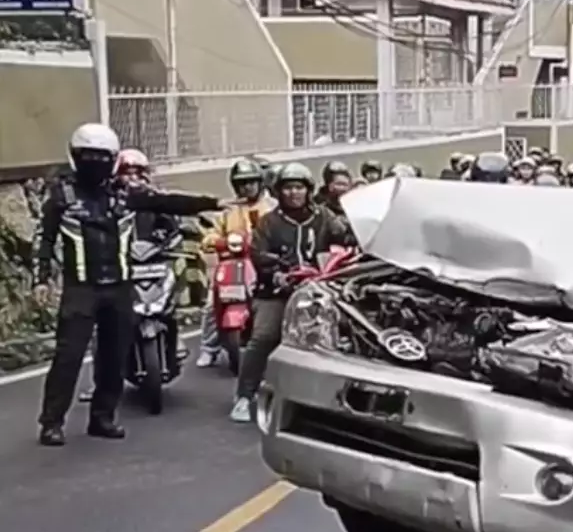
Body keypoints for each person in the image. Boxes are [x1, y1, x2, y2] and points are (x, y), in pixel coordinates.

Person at [34, 124, 218, 447]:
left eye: (102, 157)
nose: (95, 163)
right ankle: (51, 422)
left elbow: (167, 202)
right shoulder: (62, 196)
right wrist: (41, 279)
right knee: (68, 357)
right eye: (88, 156)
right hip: (81, 288)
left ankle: (103, 418)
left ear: (113, 159)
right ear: (75, 157)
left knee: (114, 356)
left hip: (120, 287)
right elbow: (44, 239)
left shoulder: (124, 194)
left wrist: (211, 202)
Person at [230, 162, 346, 423]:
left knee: (341, 338)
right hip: (276, 291)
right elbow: (258, 254)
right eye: (288, 188)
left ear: (309, 190)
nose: (294, 193)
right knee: (264, 337)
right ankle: (244, 396)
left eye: (299, 187)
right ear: (279, 192)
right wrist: (277, 273)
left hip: (318, 289)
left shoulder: (324, 217)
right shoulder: (269, 222)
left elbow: (345, 237)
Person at [197, 158, 275, 367]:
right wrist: (213, 240)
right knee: (211, 303)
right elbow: (212, 233)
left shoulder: (271, 207)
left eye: (251, 181)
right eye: (242, 183)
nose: (247, 187)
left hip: (261, 263)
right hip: (232, 263)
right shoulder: (228, 209)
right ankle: (208, 348)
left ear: (260, 183)